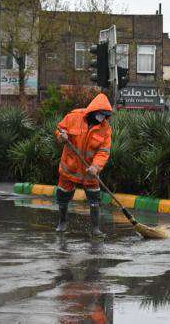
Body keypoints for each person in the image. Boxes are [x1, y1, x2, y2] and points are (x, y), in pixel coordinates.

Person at [55, 92, 113, 237]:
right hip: (70, 168)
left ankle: (95, 229)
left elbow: (103, 152)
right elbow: (60, 129)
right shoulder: (74, 117)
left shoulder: (105, 129)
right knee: (63, 196)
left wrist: (96, 167)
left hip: (90, 171)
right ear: (94, 111)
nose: (103, 118)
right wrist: (62, 136)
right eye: (101, 114)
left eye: (105, 116)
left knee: (95, 198)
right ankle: (62, 222)